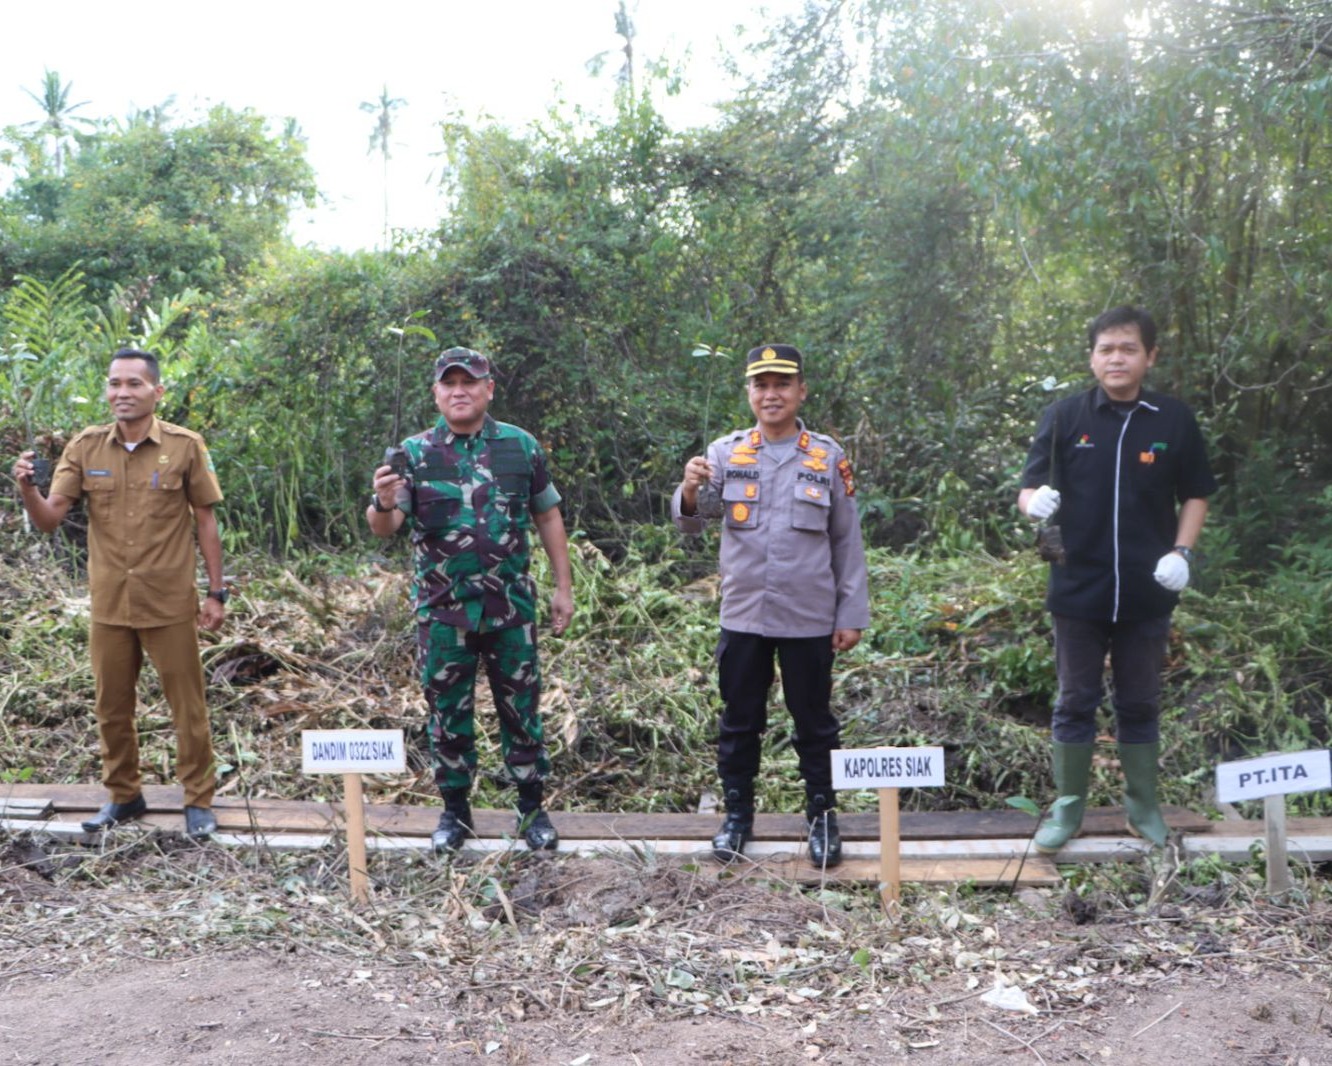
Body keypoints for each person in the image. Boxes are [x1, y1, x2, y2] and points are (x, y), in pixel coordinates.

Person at [1019, 306, 1217, 853]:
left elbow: (1196, 491)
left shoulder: (1171, 419)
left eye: (1128, 349)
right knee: (1074, 699)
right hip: (1077, 586)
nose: (1116, 358)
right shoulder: (1064, 416)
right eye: (1106, 348)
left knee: (1140, 701)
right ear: (1092, 356)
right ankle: (1067, 810)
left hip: (1148, 586)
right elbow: (1027, 487)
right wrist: (1034, 501)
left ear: (1149, 356)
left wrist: (1183, 551)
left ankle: (1143, 809)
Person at [11, 348, 227, 839]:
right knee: (111, 707)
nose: (121, 393)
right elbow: (49, 520)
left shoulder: (185, 446)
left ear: (156, 391)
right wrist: (26, 489)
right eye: (114, 384)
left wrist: (216, 593)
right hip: (110, 603)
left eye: (133, 384)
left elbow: (206, 521)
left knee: (187, 707)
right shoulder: (85, 448)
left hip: (169, 600)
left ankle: (198, 801)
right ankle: (124, 796)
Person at [367, 347, 574, 854]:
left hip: (510, 609)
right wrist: (383, 500)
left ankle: (531, 810)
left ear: (489, 389)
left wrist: (563, 588)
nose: (459, 390)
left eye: (470, 381)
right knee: (447, 715)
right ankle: (455, 813)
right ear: (436, 393)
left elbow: (547, 515)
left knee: (522, 712)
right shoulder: (412, 454)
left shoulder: (520, 447)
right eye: (449, 383)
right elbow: (384, 529)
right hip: (443, 611)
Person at [673, 343, 870, 868]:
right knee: (740, 720)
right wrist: (689, 489)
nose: (771, 394)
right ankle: (737, 817)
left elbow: (847, 541)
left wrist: (851, 613)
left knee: (814, 721)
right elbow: (693, 522)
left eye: (782, 384)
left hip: (809, 615)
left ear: (801, 391)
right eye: (761, 385)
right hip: (744, 615)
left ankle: (822, 817)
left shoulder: (827, 457)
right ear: (750, 394)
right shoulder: (724, 453)